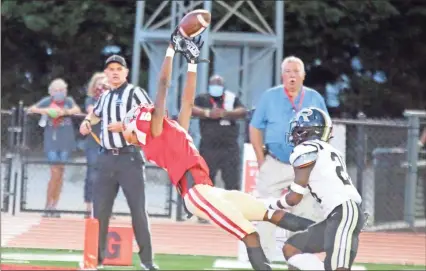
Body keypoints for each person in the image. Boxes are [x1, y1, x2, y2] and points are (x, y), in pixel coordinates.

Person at [122, 31, 316, 271]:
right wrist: (171, 50)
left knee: (271, 213)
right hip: (196, 193)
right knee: (251, 235)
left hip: (210, 190)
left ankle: (332, 228)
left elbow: (187, 102)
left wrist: (192, 64)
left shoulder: (169, 132)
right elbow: (163, 86)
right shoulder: (154, 137)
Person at [79, 55, 156, 270]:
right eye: (110, 69)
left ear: (126, 72)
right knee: (100, 210)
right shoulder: (105, 97)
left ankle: (147, 260)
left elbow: (151, 117)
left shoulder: (135, 92)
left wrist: (124, 125)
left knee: (138, 210)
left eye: (118, 69)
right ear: (106, 73)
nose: (114, 72)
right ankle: (97, 259)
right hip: (105, 158)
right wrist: (87, 122)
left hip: (129, 157)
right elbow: (95, 115)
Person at [249, 56, 329, 260]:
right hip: (274, 162)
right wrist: (261, 160)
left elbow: (326, 128)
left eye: (296, 72)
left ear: (303, 75)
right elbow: (255, 127)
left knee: (304, 211)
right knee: (265, 209)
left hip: (304, 165)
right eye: (288, 71)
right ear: (282, 75)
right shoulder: (269, 96)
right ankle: (264, 256)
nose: (292, 76)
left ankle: (298, 255)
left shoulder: (314, 98)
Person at [267, 107, 364, 270]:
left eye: (298, 129)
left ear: (307, 131)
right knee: (292, 248)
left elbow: (295, 197)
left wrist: (271, 205)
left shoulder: (305, 149)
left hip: (344, 212)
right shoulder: (331, 150)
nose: (294, 134)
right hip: (340, 214)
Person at [27, 78, 81, 218]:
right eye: (56, 90)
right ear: (51, 92)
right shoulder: (47, 101)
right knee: (54, 172)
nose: (59, 92)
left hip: (65, 141)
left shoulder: (68, 101)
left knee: (61, 173)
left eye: (61, 90)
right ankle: (47, 205)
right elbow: (32, 109)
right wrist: (48, 111)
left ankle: (54, 206)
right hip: (51, 141)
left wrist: (63, 112)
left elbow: (76, 109)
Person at [192, 75, 247, 190]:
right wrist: (207, 113)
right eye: (213, 84)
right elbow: (190, 108)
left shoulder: (230, 98)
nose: (216, 87)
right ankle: (205, 206)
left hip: (229, 148)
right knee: (205, 183)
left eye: (218, 84)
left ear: (223, 87)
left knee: (232, 183)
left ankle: (231, 207)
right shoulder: (203, 98)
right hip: (209, 147)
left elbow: (242, 111)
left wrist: (226, 113)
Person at [82, 72, 109, 217]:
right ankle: (89, 207)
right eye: (99, 83)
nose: (101, 86)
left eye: (104, 83)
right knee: (92, 174)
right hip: (93, 141)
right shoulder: (90, 100)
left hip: (109, 142)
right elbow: (92, 113)